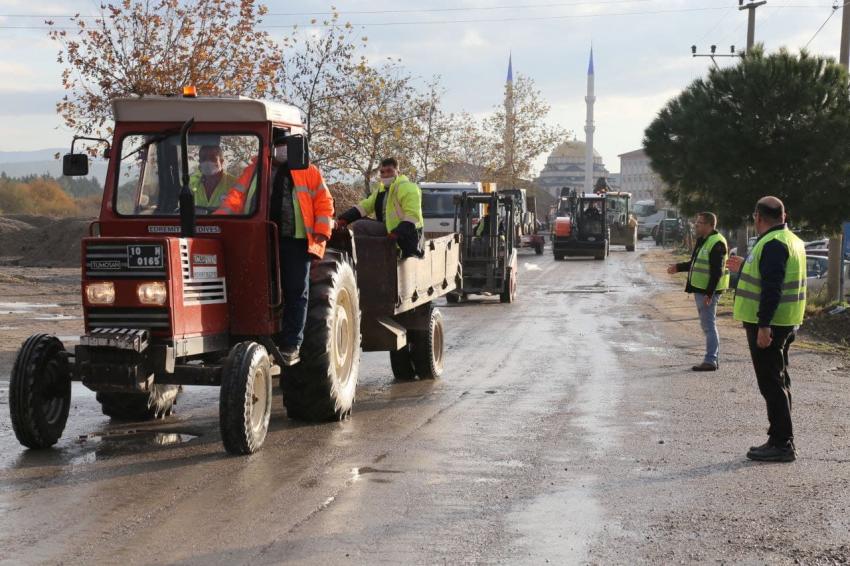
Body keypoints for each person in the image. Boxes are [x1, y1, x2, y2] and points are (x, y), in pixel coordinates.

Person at [217, 132, 334, 364]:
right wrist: (218, 221)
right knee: (254, 288)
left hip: (296, 240)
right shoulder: (255, 170)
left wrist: (321, 232)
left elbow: (324, 202)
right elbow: (236, 197)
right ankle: (250, 339)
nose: (281, 149)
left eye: (284, 145)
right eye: (277, 145)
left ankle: (292, 343)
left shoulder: (309, 171)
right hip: (260, 239)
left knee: (296, 291)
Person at [727, 196, 806, 463]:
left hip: (770, 325)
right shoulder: (790, 240)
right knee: (779, 380)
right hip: (786, 321)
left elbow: (773, 287)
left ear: (758, 217)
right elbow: (770, 276)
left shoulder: (772, 243)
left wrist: (763, 325)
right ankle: (779, 438)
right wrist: (745, 266)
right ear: (784, 215)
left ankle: (782, 443)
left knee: (771, 383)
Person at [666, 212, 729, 371]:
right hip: (701, 290)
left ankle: (710, 360)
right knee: (706, 324)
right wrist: (678, 267)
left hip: (708, 292)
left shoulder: (717, 242)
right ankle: (712, 359)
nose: (696, 225)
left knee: (709, 325)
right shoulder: (703, 240)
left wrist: (709, 293)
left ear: (709, 225)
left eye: (699, 223)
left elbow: (717, 271)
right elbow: (694, 263)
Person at [337, 157, 424, 259]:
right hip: (388, 231)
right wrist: (344, 219)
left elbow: (413, 217)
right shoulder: (381, 190)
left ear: (398, 172)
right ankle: (365, 259)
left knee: (360, 225)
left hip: (407, 236)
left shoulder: (408, 188)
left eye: (389, 171)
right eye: (382, 172)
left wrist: (396, 233)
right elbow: (365, 206)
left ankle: (376, 256)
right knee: (360, 224)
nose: (385, 174)